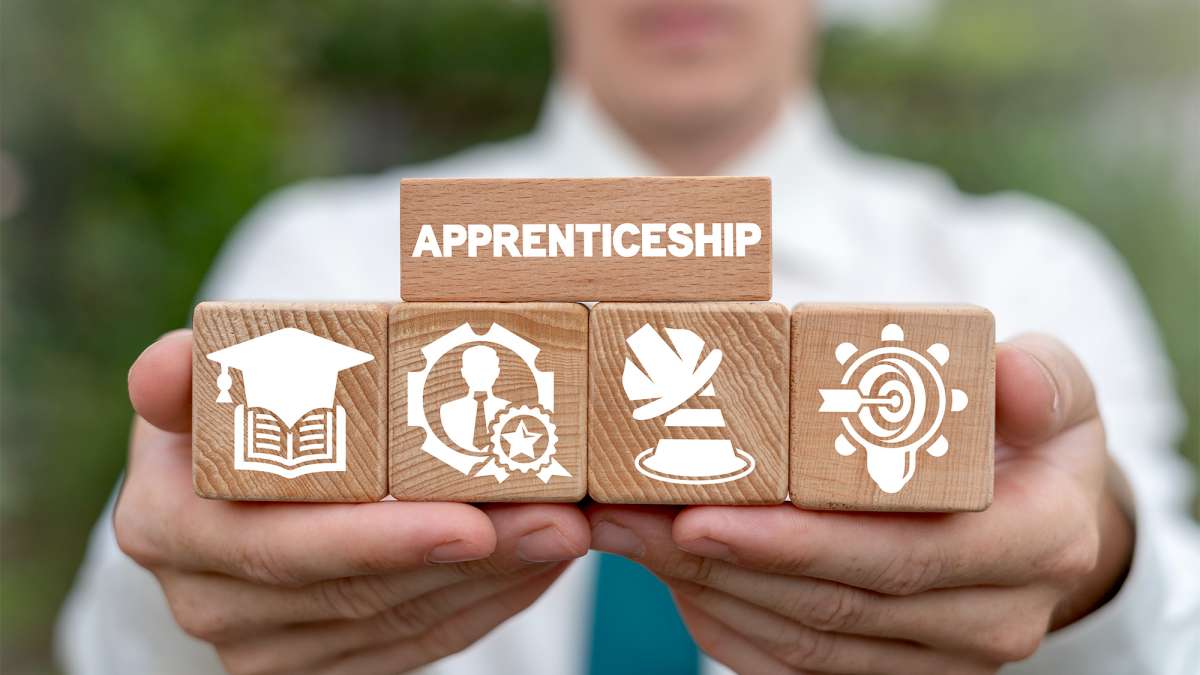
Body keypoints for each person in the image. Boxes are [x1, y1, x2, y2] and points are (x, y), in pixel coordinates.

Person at [58, 1, 1200, 673]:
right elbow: (113, 648)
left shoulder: (1021, 269)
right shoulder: (325, 258)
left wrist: (1098, 566)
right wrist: (178, 593)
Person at [441, 345, 510, 453]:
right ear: (463, 372)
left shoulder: (509, 410)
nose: (480, 373)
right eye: (473, 368)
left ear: (497, 372)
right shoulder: (448, 410)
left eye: (486, 368)